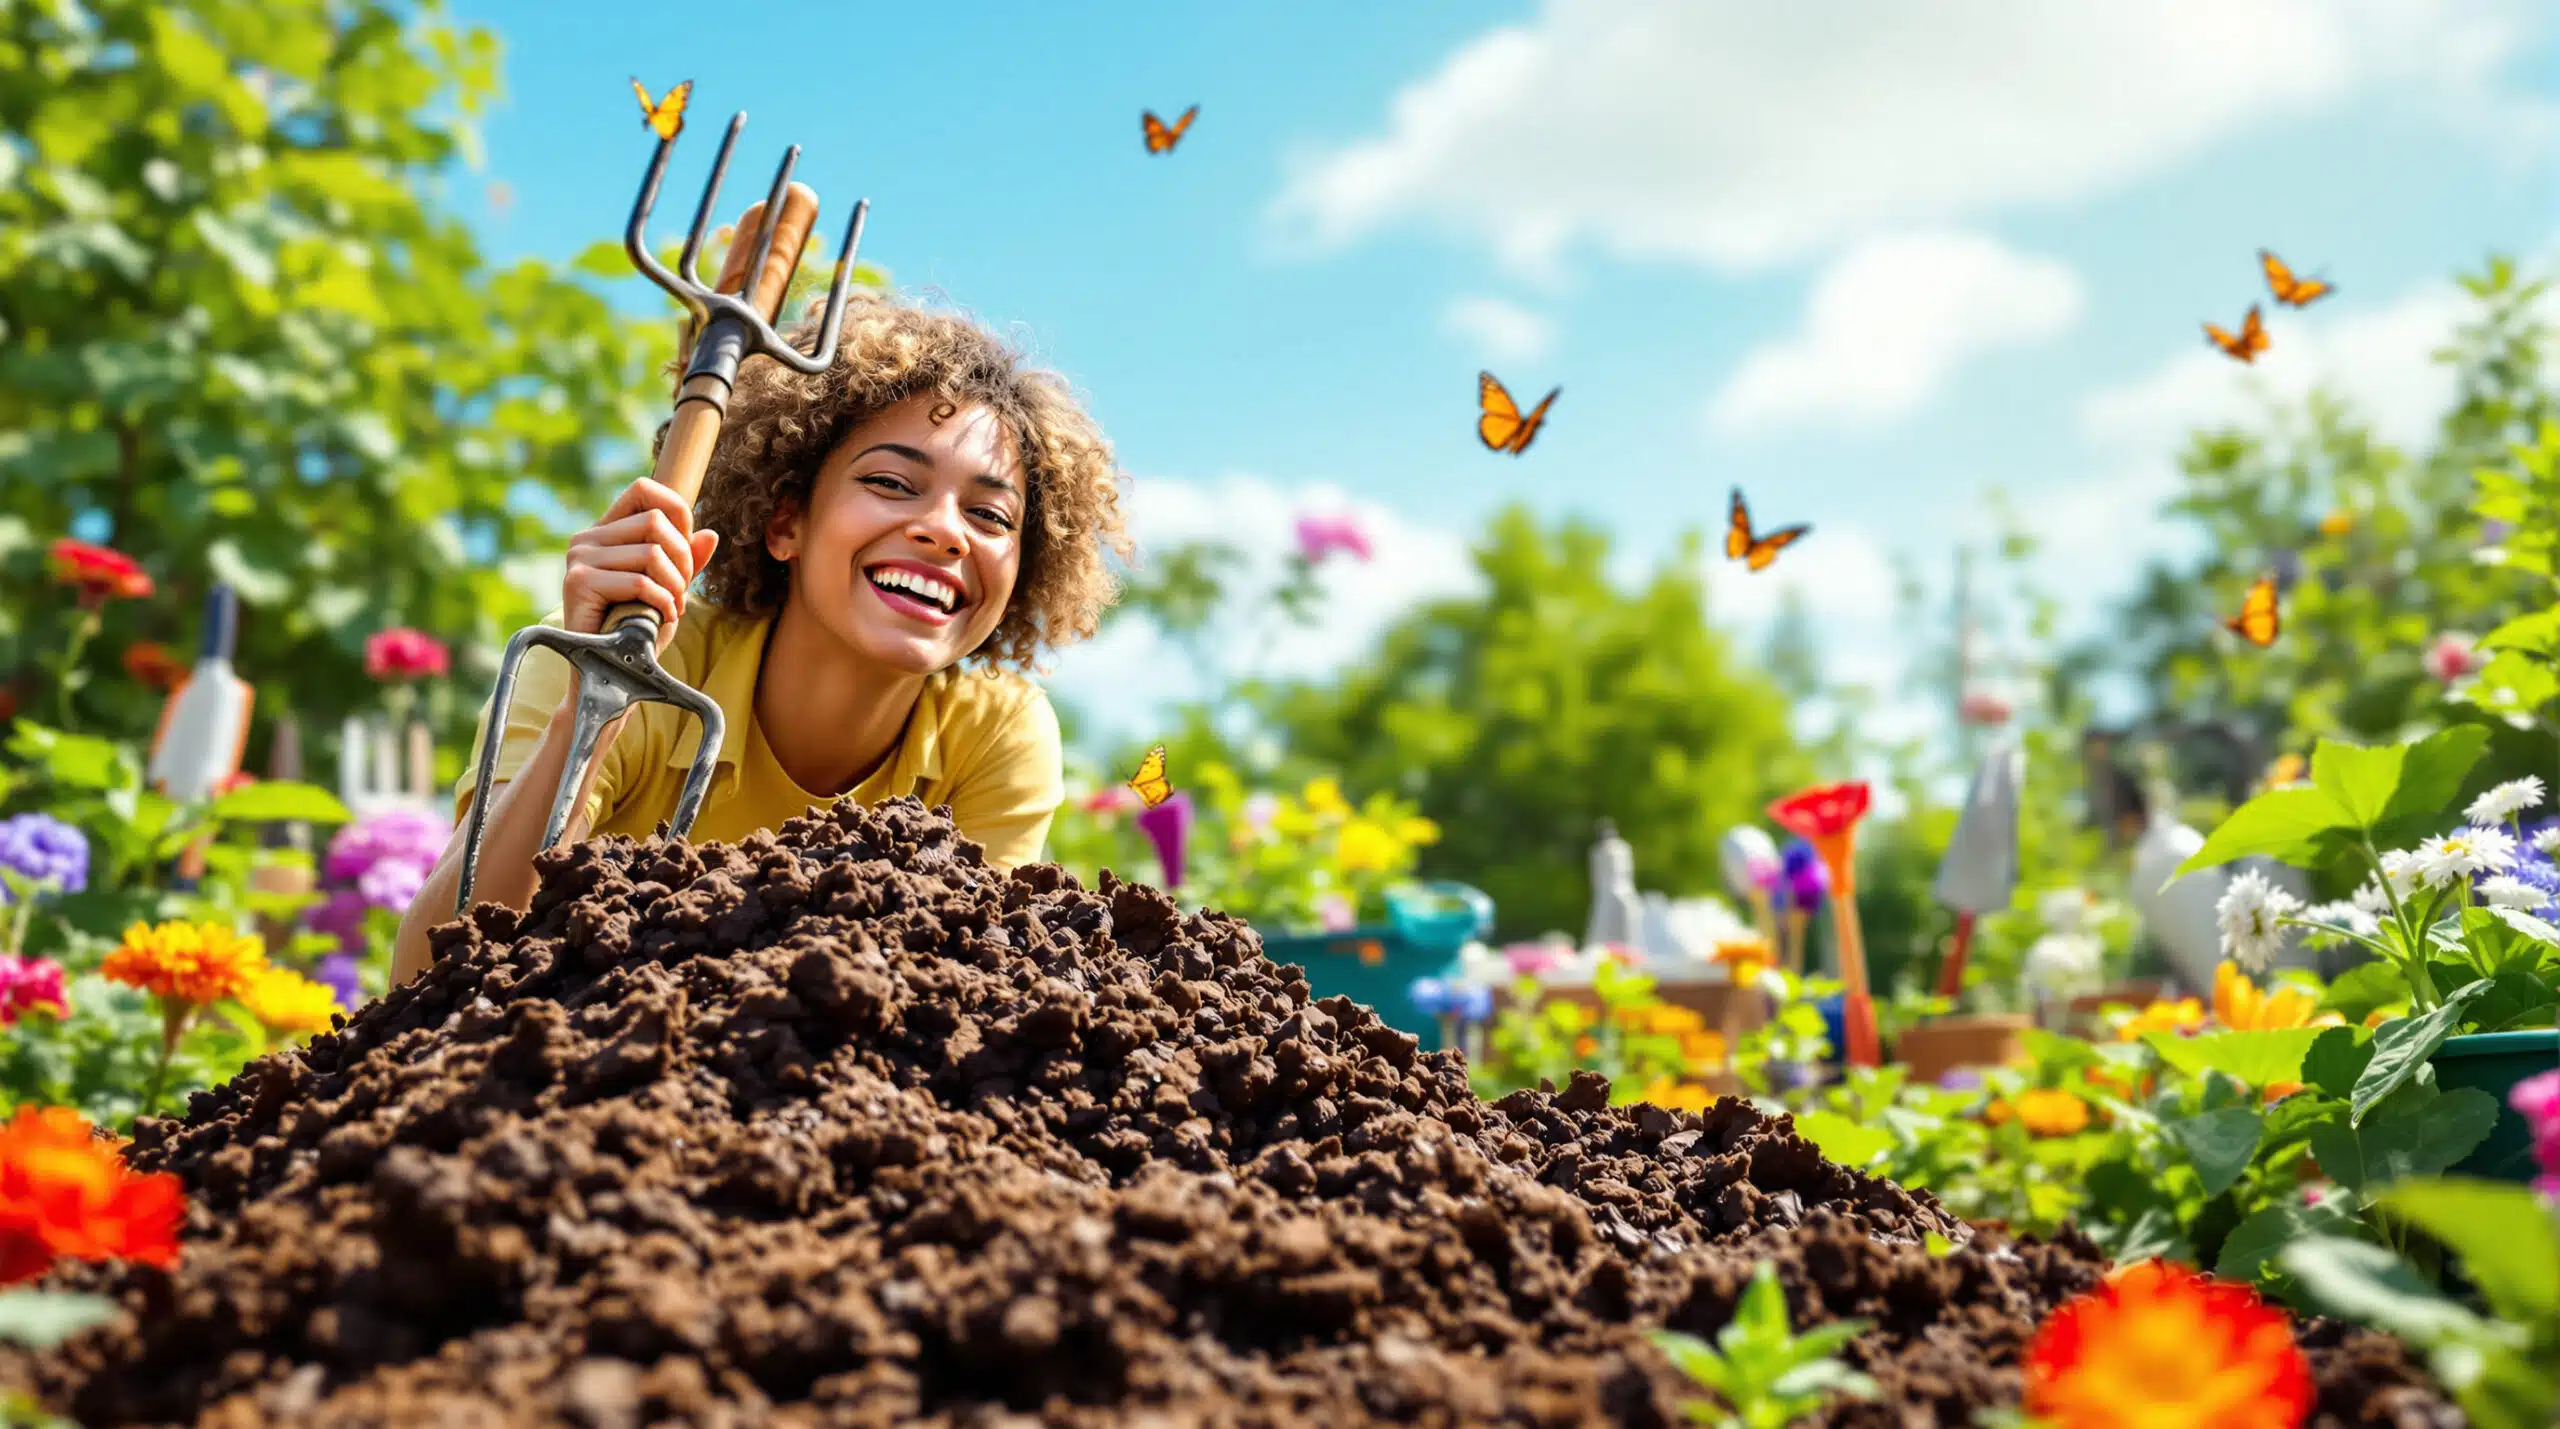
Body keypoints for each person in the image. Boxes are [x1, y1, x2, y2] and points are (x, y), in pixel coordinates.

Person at [390, 292, 1129, 985]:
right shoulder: (609, 660)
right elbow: (426, 973)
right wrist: (590, 714)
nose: (943, 529)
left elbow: (962, 1012)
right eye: (891, 483)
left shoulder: (993, 735)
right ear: (786, 523)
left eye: (991, 517)